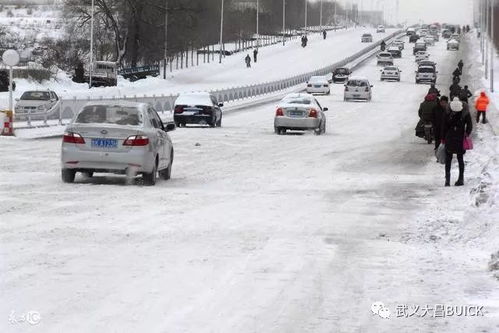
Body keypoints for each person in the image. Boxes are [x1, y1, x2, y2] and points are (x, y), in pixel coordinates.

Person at [441, 98, 473, 187]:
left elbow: (443, 126)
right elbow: (470, 125)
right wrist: (467, 133)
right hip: (460, 138)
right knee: (460, 159)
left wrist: (442, 138)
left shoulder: (447, 113)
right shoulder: (465, 112)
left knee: (448, 159)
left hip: (449, 138)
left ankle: (447, 181)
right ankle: (461, 179)